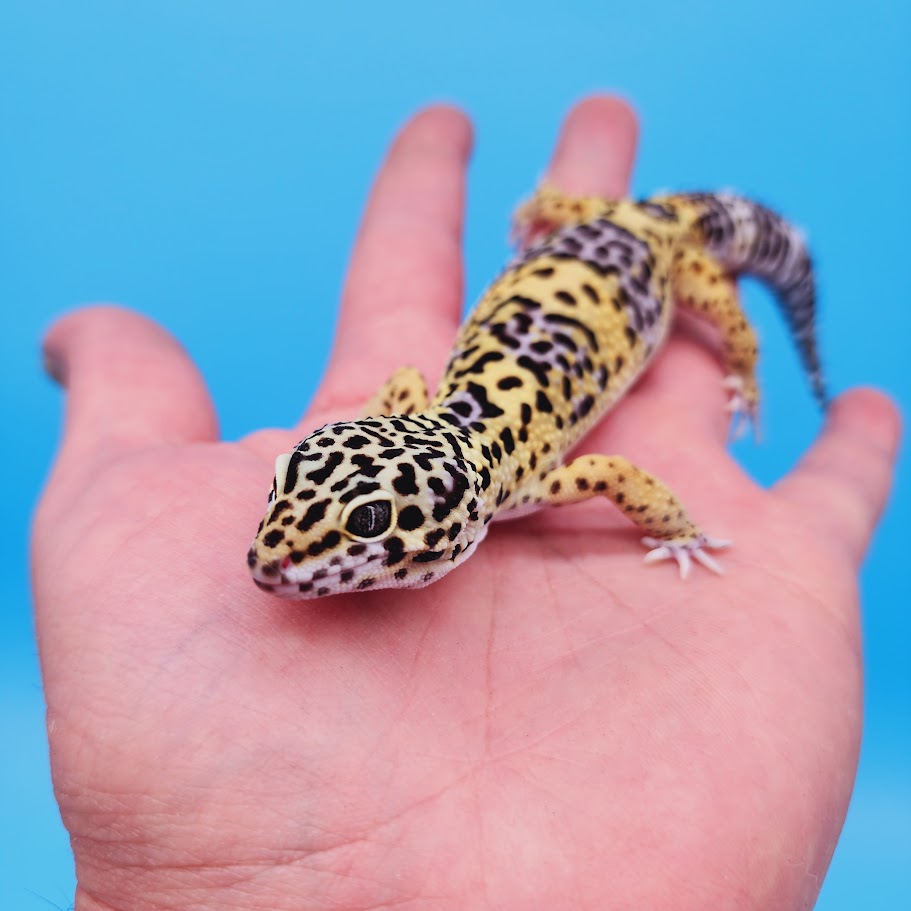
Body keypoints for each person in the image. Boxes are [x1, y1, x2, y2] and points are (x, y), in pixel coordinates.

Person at [33, 96, 899, 910]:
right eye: (298, 500)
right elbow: (418, 388)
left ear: (453, 520)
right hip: (581, 256)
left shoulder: (524, 479)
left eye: (364, 530)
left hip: (653, 249)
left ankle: (755, 345)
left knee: (724, 312)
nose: (277, 558)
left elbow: (618, 477)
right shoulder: (449, 440)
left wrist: (683, 511)